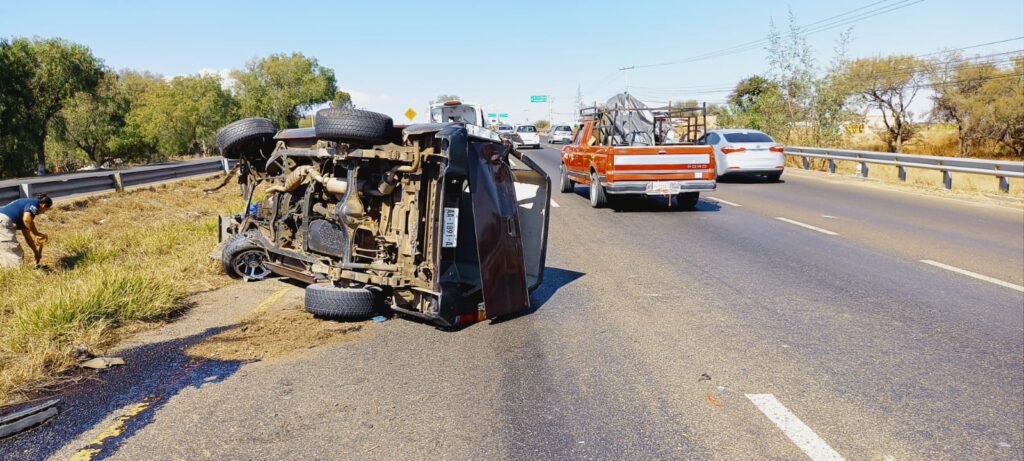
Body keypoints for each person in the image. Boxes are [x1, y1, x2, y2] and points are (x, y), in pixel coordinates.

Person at [0, 193, 52, 268]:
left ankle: (6, 271)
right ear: (43, 206)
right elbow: (27, 220)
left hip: (2, 220)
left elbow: (27, 235)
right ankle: (16, 275)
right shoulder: (34, 204)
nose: (43, 212)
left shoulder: (25, 209)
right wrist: (37, 233)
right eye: (45, 210)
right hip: (3, 221)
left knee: (4, 250)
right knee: (13, 252)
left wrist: (36, 252)